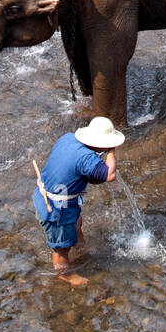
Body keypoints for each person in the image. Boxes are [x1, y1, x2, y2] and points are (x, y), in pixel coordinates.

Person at [32, 117, 125, 283]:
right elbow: (110, 175)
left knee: (77, 221)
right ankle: (65, 274)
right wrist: (111, 151)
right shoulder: (87, 159)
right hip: (55, 207)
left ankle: (80, 247)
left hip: (46, 193)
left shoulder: (68, 138)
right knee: (61, 247)